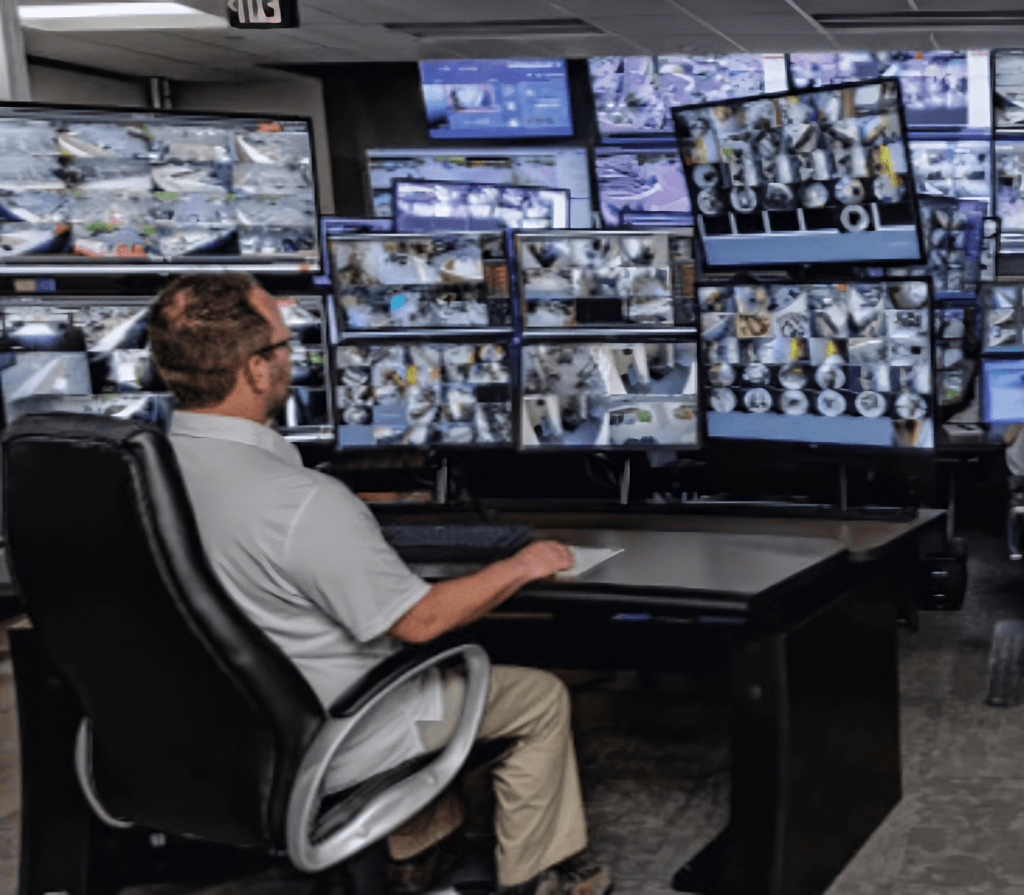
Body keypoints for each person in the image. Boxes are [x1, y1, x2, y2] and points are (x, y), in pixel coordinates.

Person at [147, 273, 610, 895]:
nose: (293, 360)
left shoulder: (140, 474)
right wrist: (523, 564)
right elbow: (420, 620)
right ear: (257, 371)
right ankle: (536, 877)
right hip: (330, 730)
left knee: (398, 662)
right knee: (536, 696)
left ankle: (420, 850)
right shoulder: (300, 501)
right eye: (288, 347)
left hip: (210, 721)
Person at [1004, 424, 1024, 560]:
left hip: (1017, 475)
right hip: (1019, 476)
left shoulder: (1017, 423)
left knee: (1016, 511)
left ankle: (1014, 548)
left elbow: (1006, 439)